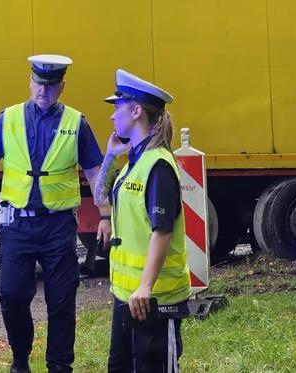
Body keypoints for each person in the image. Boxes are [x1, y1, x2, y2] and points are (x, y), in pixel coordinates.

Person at [0, 55, 111, 373]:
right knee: (11, 294)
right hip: (17, 225)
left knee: (62, 300)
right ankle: (20, 358)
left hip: (58, 226)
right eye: (38, 84)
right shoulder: (7, 119)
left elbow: (94, 172)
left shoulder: (76, 123)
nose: (43, 91)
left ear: (61, 87)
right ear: (30, 82)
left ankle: (59, 366)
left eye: (50, 86)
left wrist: (104, 215)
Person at [94, 69, 191, 372]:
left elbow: (161, 232)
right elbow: (100, 198)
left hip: (154, 300)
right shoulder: (133, 162)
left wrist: (146, 287)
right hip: (128, 296)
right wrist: (111, 156)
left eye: (117, 106)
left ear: (136, 111)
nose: (112, 117)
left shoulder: (158, 165)